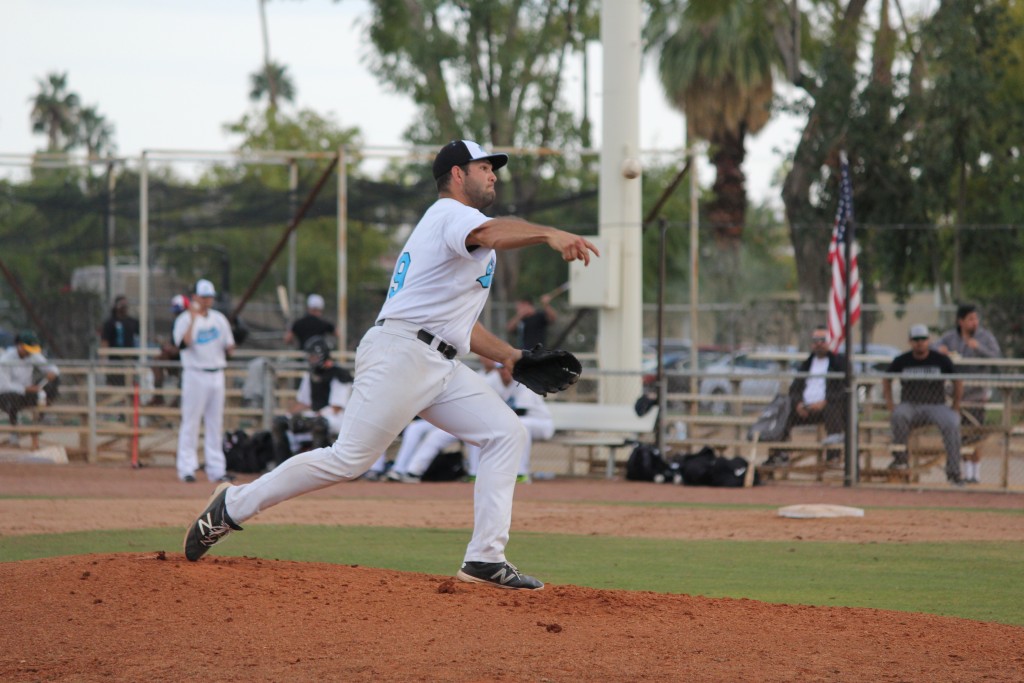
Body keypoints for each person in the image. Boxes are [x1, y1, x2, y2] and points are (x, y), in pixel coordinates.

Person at [183, 139, 599, 590]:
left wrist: (513, 358)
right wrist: (548, 234)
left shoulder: (458, 228)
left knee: (506, 433)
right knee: (348, 459)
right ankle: (233, 505)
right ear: (457, 175)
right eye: (484, 167)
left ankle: (484, 559)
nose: (493, 174)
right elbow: (492, 232)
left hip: (437, 360)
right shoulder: (452, 215)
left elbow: (458, 325)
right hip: (403, 353)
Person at [883, 324, 964, 486]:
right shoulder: (902, 360)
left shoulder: (940, 359)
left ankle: (954, 473)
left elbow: (958, 380)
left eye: (923, 339)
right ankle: (901, 461)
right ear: (910, 342)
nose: (919, 343)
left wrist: (956, 405)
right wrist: (891, 405)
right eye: (916, 340)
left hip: (936, 405)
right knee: (899, 415)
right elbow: (886, 379)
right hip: (910, 405)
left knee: (952, 422)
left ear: (929, 340)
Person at [174, 279, 236, 483]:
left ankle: (216, 469)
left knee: (214, 423)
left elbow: (229, 346)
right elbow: (184, 344)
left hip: (216, 373)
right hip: (195, 374)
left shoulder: (219, 319)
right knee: (191, 422)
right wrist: (193, 319)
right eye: (203, 297)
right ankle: (186, 468)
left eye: (210, 297)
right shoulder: (184, 320)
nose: (207, 300)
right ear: (195, 297)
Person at [935, 304, 1001, 484]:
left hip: (976, 393)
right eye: (970, 319)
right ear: (961, 321)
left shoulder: (984, 337)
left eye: (976, 319)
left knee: (975, 432)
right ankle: (963, 472)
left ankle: (975, 474)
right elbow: (933, 346)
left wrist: (978, 347)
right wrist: (940, 349)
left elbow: (996, 357)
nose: (974, 322)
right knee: (959, 433)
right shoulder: (950, 337)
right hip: (955, 394)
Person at [767, 325, 848, 466]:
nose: (819, 344)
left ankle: (833, 456)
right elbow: (794, 389)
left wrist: (825, 401)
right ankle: (780, 453)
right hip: (805, 410)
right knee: (784, 411)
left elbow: (844, 390)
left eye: (823, 340)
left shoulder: (838, 363)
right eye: (816, 340)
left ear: (829, 342)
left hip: (827, 408)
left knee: (833, 409)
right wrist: (798, 404)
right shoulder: (807, 363)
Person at [464, 362, 555, 483]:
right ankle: (474, 473)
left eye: (507, 368)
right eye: (501, 368)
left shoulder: (523, 382)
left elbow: (520, 412)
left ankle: (521, 473)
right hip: (509, 422)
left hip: (540, 424)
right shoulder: (492, 381)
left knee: (521, 425)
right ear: (497, 370)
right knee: (479, 426)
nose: (504, 371)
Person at [271, 336, 354, 465]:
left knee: (318, 423)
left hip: (337, 418)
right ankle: (282, 464)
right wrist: (288, 416)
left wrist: (314, 417)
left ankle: (317, 465)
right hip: (316, 414)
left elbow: (336, 407)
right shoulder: (310, 374)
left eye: (313, 356)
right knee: (279, 422)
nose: (311, 360)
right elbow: (303, 402)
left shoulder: (339, 374)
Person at [0, 331, 60, 446]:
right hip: (7, 395)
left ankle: (42, 415)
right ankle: (14, 433)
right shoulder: (5, 359)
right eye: (28, 349)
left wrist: (51, 373)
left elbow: (53, 369)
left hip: (28, 393)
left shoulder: (32, 355)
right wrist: (26, 388)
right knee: (12, 397)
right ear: (20, 346)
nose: (30, 352)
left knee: (55, 380)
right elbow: (4, 386)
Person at [151, 295, 189, 406]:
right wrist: (165, 345)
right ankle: (158, 397)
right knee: (157, 361)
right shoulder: (178, 322)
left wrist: (171, 348)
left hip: (188, 360)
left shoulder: (191, 321)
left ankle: (178, 400)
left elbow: (182, 347)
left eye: (179, 311)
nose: (177, 314)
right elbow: (174, 343)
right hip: (176, 359)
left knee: (184, 373)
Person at [99, 295, 140, 388]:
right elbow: (105, 341)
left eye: (125, 305)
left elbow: (139, 337)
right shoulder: (110, 322)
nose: (124, 307)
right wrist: (103, 359)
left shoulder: (132, 321)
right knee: (114, 383)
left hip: (130, 358)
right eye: (122, 305)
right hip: (115, 359)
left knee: (129, 383)